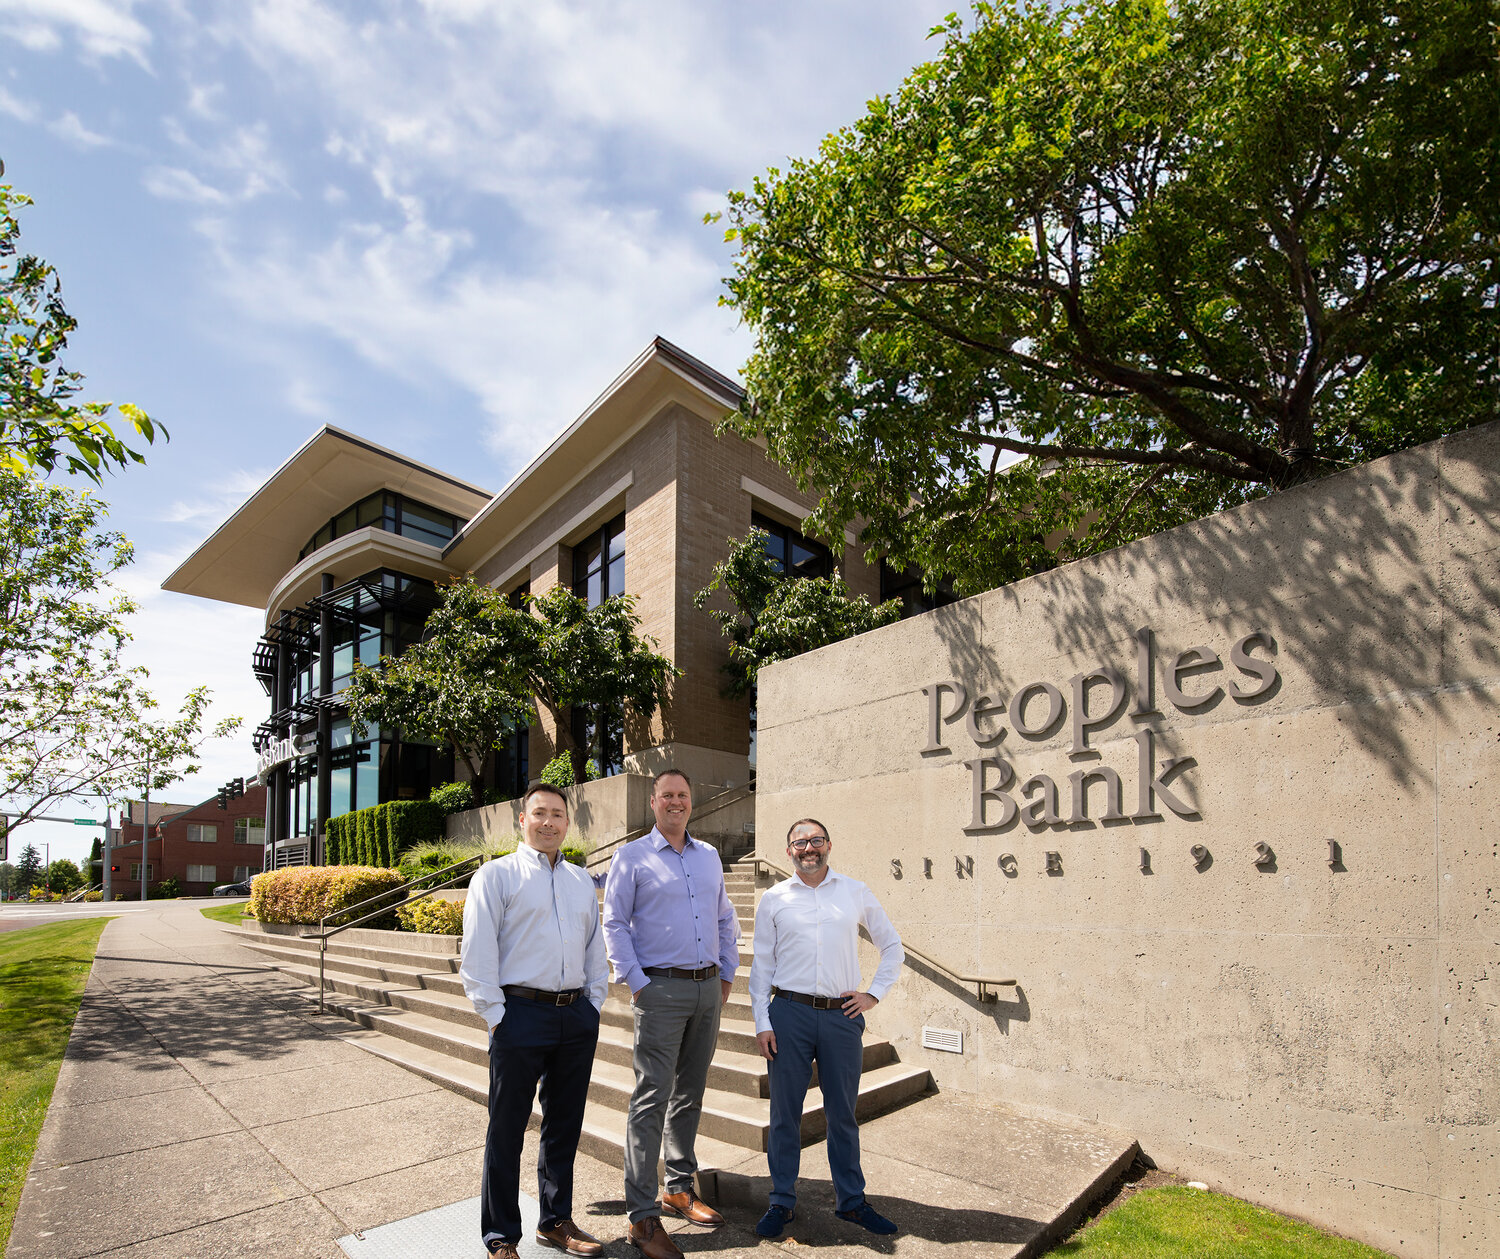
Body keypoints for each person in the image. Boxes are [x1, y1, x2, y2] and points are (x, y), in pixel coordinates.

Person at [460, 781, 609, 1259]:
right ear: (521, 821)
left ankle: (555, 1220)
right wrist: (496, 1017)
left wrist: (593, 1003)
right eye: (539, 813)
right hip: (518, 1014)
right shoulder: (496, 877)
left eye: (558, 815)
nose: (549, 822)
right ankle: (501, 1235)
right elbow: (478, 951)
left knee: (564, 1126)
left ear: (568, 823)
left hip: (574, 1016)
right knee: (506, 1129)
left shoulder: (580, 879)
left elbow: (593, 947)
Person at [602, 768, 739, 1259]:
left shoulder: (708, 857)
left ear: (690, 801)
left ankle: (679, 1187)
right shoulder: (631, 856)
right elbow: (613, 923)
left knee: (691, 1092)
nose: (676, 802)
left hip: (707, 990)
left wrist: (726, 973)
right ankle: (641, 1217)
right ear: (654, 803)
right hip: (659, 990)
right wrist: (638, 984)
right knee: (650, 1100)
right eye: (667, 796)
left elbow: (725, 916)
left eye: (683, 795)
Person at [749, 818, 904, 1240]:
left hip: (842, 1017)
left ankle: (851, 1202)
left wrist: (873, 994)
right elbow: (762, 964)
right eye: (800, 842)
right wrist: (762, 1020)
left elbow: (892, 945)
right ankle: (781, 1202)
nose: (809, 848)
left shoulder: (854, 891)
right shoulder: (774, 899)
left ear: (829, 845)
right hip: (789, 1015)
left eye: (816, 840)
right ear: (789, 852)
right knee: (784, 1115)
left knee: (842, 1114)